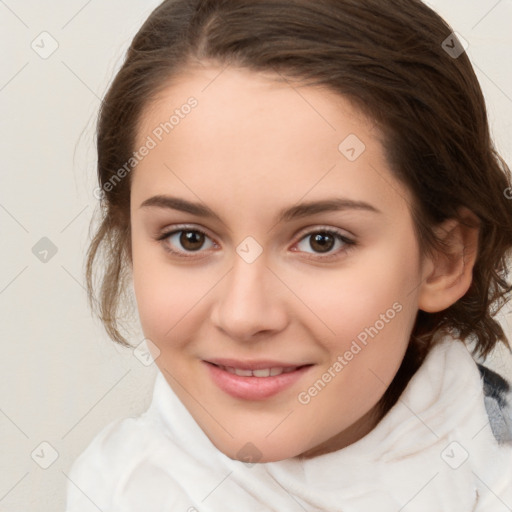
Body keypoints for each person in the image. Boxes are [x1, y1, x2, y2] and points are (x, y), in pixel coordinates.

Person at [66, 0, 512, 510]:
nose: (243, 315)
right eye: (189, 238)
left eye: (322, 241)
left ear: (444, 258)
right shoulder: (114, 490)